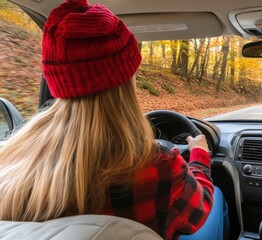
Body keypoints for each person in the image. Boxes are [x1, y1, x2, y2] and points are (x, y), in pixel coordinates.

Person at [0, 0, 228, 239]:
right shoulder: (159, 169)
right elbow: (199, 209)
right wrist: (200, 156)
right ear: (127, 82)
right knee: (217, 197)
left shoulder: (13, 161)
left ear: (57, 81)